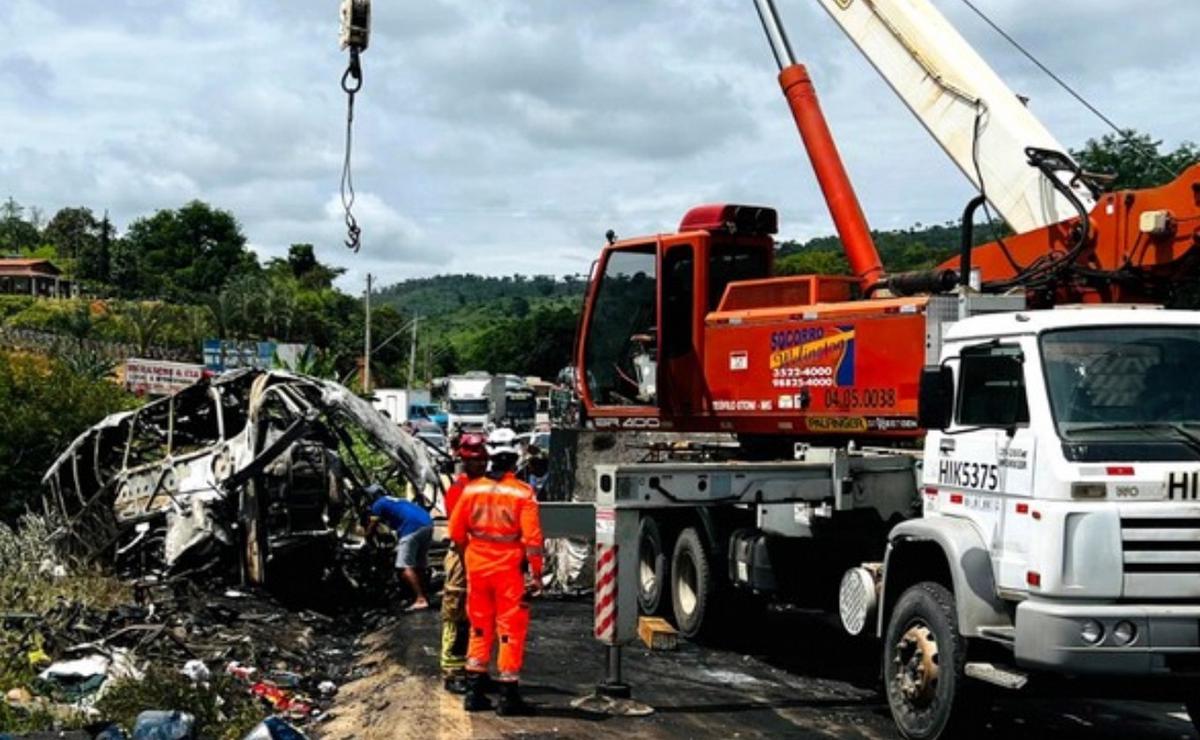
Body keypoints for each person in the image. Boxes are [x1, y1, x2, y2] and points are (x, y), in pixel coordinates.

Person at [448, 430, 543, 715]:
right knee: (510, 630)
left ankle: (474, 694)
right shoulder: (523, 493)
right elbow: (533, 541)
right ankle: (508, 697)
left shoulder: (471, 489)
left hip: (477, 566)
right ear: (516, 458)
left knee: (479, 626)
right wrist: (536, 575)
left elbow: (455, 532)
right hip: (509, 571)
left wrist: (472, 555)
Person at [440, 433, 489, 695]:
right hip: (463, 556)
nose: (480, 465)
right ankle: (452, 671)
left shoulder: (488, 488)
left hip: (484, 558)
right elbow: (459, 533)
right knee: (456, 611)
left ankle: (475, 669)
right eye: (475, 460)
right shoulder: (458, 490)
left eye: (482, 460)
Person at [366, 488, 434, 611]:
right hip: (427, 524)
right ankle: (425, 594)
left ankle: (420, 599)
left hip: (411, 528)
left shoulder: (378, 504)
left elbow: (372, 527)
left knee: (403, 566)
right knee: (419, 564)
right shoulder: (397, 500)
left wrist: (367, 539)